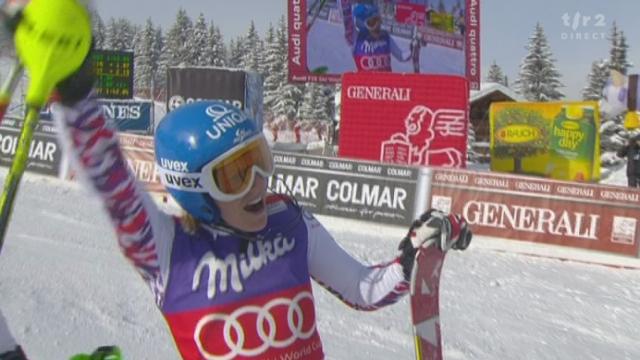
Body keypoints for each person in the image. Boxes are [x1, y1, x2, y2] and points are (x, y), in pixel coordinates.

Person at [48, 34, 471, 360]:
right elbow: (110, 177)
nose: (258, 182)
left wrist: (411, 257)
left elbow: (364, 288)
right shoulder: (167, 250)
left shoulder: (287, 219)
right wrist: (72, 90)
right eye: (235, 174)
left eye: (260, 159)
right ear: (195, 189)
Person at [340, 1, 412, 72]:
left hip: (386, 82)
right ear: (362, 24)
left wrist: (413, 50)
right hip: (365, 82)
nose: (377, 26)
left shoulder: (385, 37)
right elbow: (346, 18)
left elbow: (401, 56)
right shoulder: (356, 38)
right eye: (372, 22)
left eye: (378, 20)